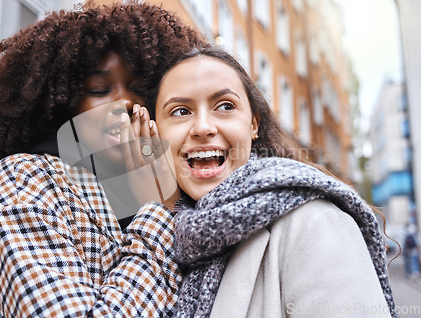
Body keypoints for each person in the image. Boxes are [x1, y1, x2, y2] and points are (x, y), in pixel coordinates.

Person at [0, 0, 204, 317]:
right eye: (99, 89)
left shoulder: (172, 184)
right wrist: (160, 211)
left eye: (140, 88)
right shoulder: (23, 180)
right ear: (64, 103)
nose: (124, 102)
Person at [133, 46, 397, 317]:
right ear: (154, 132)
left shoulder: (315, 223)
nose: (202, 127)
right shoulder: (166, 230)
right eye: (180, 111)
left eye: (225, 106)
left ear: (253, 124)